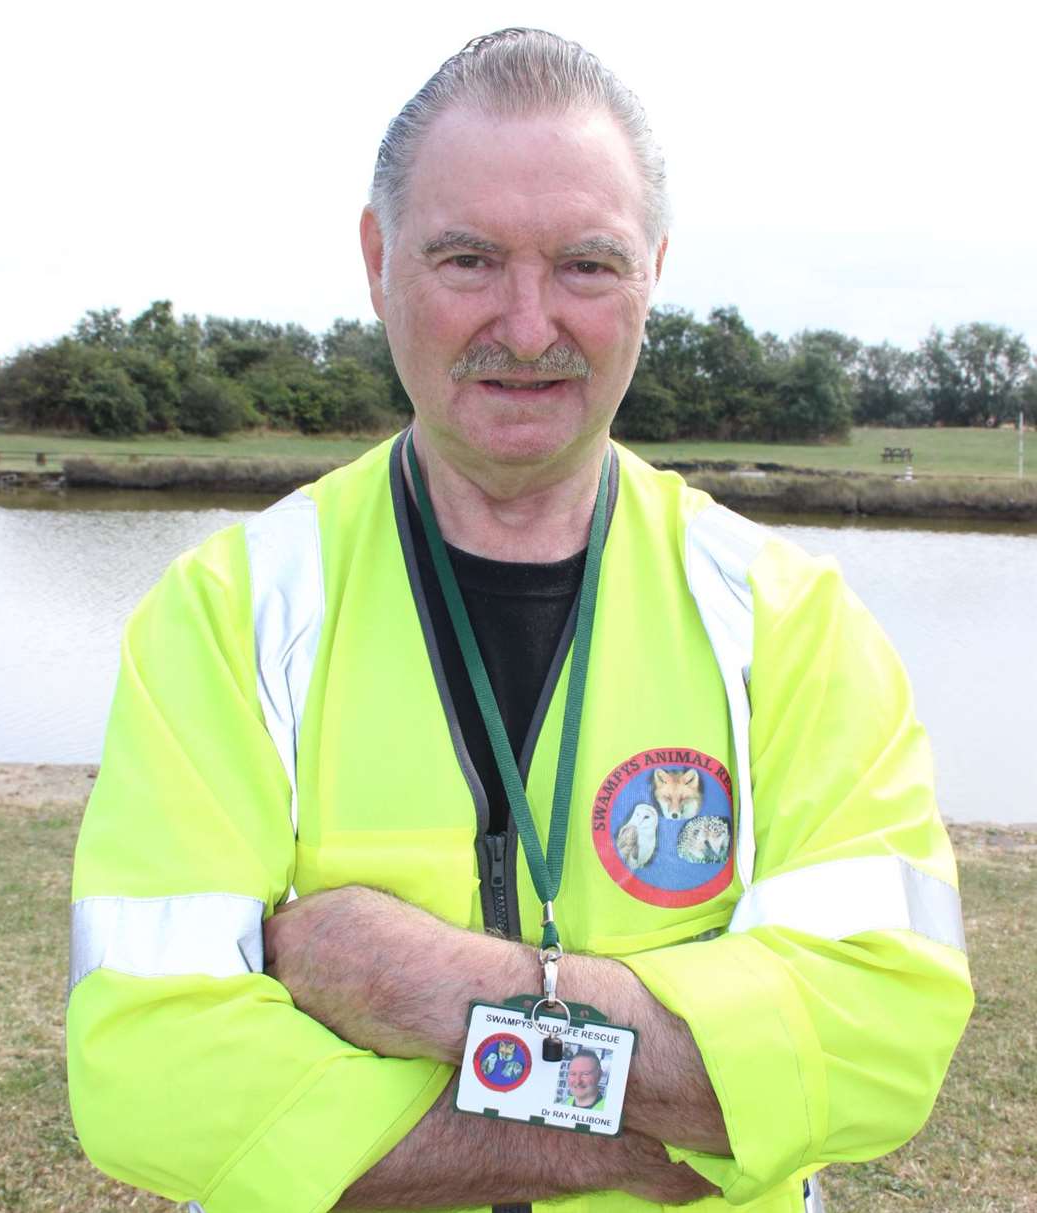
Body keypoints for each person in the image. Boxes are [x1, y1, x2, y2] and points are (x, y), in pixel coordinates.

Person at [66, 28, 973, 1213]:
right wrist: (660, 1118)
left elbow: (877, 1039)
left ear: (654, 267)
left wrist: (438, 987)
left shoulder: (792, 623)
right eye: (469, 259)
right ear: (379, 257)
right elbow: (152, 1074)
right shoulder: (226, 617)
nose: (531, 324)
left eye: (587, 266)